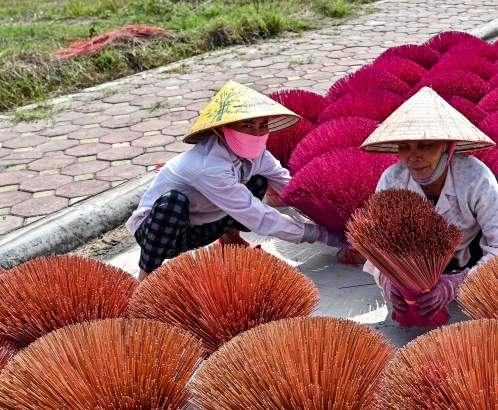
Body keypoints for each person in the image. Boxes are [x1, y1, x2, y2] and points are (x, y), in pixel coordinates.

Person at [126, 81, 345, 280]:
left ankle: (230, 238)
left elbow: (288, 185)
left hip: (203, 226)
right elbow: (257, 216)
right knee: (173, 203)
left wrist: (333, 215)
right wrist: (323, 235)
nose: (257, 133)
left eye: (263, 125)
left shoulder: (256, 155)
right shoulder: (208, 166)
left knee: (257, 181)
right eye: (247, 126)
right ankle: (146, 275)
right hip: (161, 232)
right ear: (223, 130)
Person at [359, 87, 498, 320]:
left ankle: (465, 277)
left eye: (425, 145)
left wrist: (457, 283)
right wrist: (390, 280)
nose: (413, 156)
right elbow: (377, 246)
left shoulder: (475, 176)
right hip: (417, 262)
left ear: (447, 145)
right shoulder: (392, 179)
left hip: (469, 251)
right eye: (405, 146)